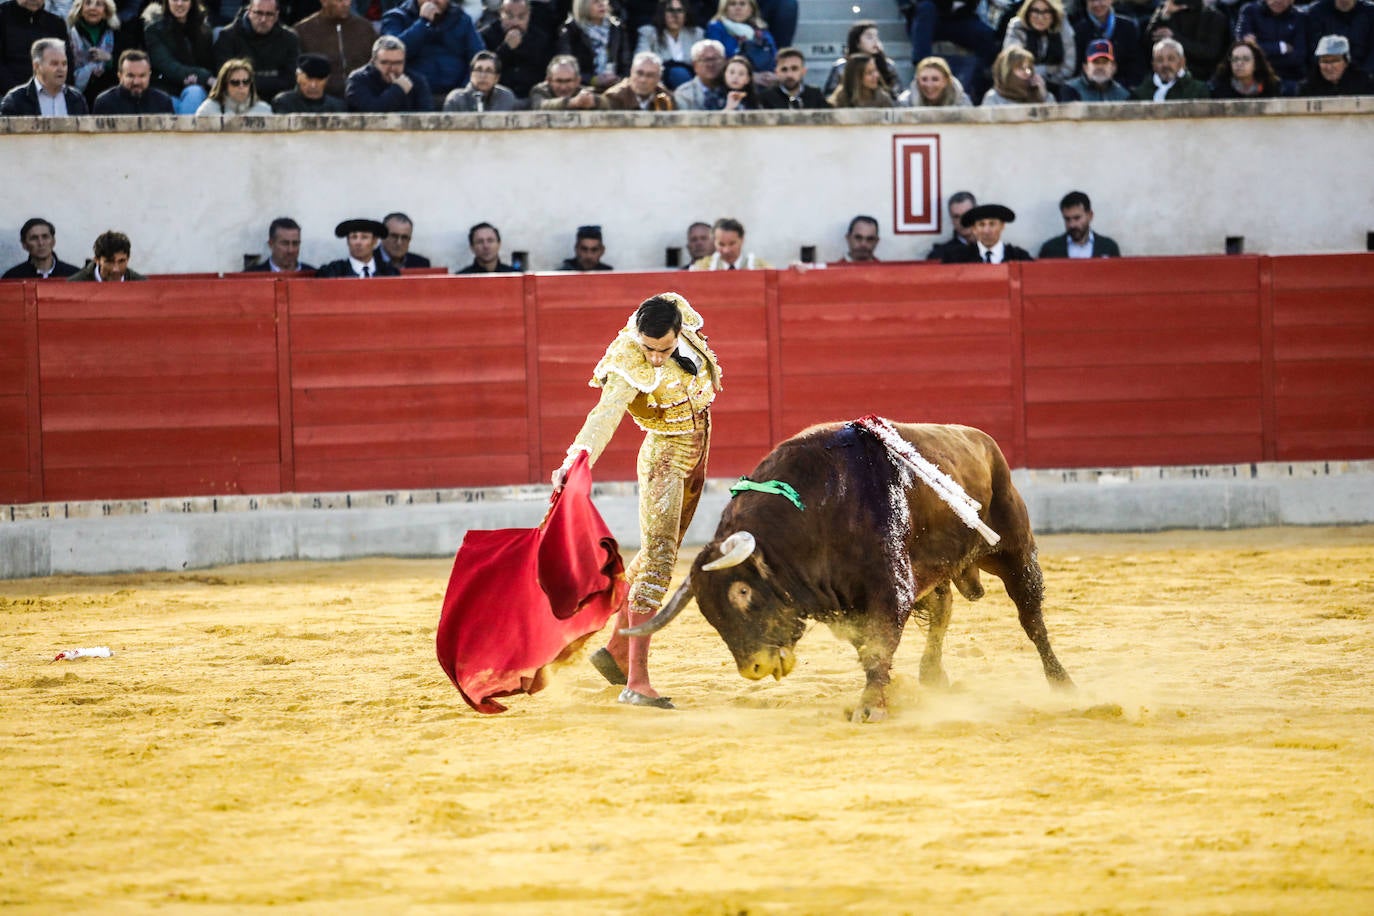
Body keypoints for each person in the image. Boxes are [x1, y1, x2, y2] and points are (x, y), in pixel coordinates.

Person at [553, 292, 722, 709]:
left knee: (655, 555)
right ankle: (637, 682)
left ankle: (614, 651)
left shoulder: (678, 313)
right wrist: (577, 455)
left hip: (697, 455)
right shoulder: (627, 360)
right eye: (649, 349)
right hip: (664, 460)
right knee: (660, 562)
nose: (656, 358)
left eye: (664, 349)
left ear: (678, 332)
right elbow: (605, 413)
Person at [382, 0, 482, 102]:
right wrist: (422, 23)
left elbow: (478, 57)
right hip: (411, 97)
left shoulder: (462, 19)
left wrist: (464, 92)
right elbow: (392, 53)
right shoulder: (396, 17)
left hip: (455, 99)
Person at [905, 0, 1000, 103]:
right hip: (929, 19)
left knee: (987, 36)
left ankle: (979, 88)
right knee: (926, 8)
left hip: (959, 19)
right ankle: (922, 68)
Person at [212, 0, 298, 101]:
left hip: (277, 99)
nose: (263, 19)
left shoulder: (290, 38)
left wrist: (247, 81)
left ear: (276, 16)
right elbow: (226, 77)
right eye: (258, 13)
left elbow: (290, 80)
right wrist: (272, 80)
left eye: (269, 14)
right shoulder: (228, 36)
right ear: (249, 12)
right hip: (237, 99)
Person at [142, 0, 216, 115]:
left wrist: (198, 79)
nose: (179, 4)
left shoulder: (204, 29)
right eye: (175, 0)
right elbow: (166, 64)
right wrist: (205, 77)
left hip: (197, 88)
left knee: (194, 93)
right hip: (165, 88)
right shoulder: (154, 29)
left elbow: (209, 63)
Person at [293, 0, 375, 100]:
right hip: (320, 101)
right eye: (340, 1)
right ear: (324, 2)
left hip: (361, 98)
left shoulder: (366, 29)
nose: (346, 4)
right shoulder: (302, 31)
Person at [1143, 0, 1231, 85]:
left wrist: (1175, 38)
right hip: (1162, 76)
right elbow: (1148, 42)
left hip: (1200, 76)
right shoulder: (1165, 10)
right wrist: (1164, 15)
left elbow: (1210, 52)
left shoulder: (1214, 16)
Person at [481, 0, 552, 102]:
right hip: (496, 97)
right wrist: (506, 48)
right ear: (501, 13)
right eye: (509, 16)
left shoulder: (540, 38)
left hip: (531, 97)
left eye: (521, 17)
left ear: (529, 15)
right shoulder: (487, 35)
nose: (515, 22)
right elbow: (485, 69)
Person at [1002, 0, 1076, 96]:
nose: (1040, 17)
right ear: (1028, 12)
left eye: (1046, 12)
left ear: (1053, 14)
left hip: (1057, 84)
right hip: (1023, 84)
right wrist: (1040, 73)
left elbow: (1069, 67)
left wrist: (1045, 80)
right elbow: (1013, 63)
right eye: (1035, 11)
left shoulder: (1062, 26)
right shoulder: (1017, 26)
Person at [556, 0, 633, 89]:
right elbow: (567, 67)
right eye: (596, 2)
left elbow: (626, 63)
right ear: (583, 5)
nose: (602, 5)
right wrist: (593, 80)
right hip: (581, 89)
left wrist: (619, 79)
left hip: (615, 88)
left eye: (604, 1)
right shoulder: (570, 31)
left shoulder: (617, 28)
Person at [346, 34, 435, 111]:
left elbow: (427, 115)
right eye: (385, 62)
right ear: (374, 62)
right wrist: (398, 89)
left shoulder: (416, 81)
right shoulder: (358, 79)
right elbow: (371, 114)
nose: (392, 68)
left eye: (398, 63)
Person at [0, 36, 87, 114]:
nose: (61, 69)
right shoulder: (16, 101)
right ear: (37, 66)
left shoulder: (77, 99)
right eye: (54, 64)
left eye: (64, 64)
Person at [1235, 0, 1306, 93]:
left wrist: (1258, 50)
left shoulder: (1299, 17)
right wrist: (1281, 47)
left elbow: (1299, 56)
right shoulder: (1250, 11)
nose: (1279, 1)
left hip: (1288, 77)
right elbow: (1244, 48)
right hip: (1257, 75)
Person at [0, 0, 68, 97]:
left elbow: (66, 65)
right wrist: (20, 95)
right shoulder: (3, 18)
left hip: (49, 95)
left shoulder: (56, 24)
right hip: (8, 96)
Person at [1070, 0, 1144, 89]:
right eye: (1091, 1)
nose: (1097, 4)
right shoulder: (1078, 30)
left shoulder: (1127, 26)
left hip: (1122, 89)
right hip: (1087, 90)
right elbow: (1077, 68)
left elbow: (1135, 65)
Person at [67, 0, 127, 108]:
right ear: (80, 9)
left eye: (98, 4)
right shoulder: (70, 34)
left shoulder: (118, 33)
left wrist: (109, 58)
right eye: (88, 3)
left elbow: (126, 63)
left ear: (106, 11)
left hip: (110, 94)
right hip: (78, 97)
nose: (92, 8)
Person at [703, 0, 775, 84]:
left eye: (742, 4)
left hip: (765, 79)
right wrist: (749, 76)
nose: (738, 8)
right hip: (728, 81)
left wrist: (774, 75)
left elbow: (774, 56)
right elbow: (715, 61)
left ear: (751, 8)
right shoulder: (716, 28)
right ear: (725, 8)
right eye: (732, 4)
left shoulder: (761, 29)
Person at [823, 19, 899, 96]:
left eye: (877, 36)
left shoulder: (888, 65)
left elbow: (897, 93)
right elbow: (830, 96)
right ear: (857, 42)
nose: (875, 40)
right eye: (869, 37)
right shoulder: (841, 67)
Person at [635, 0, 701, 88]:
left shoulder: (696, 34)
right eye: (670, 10)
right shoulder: (648, 33)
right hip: (658, 81)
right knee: (679, 73)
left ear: (686, 14)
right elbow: (641, 59)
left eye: (679, 11)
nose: (675, 16)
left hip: (692, 81)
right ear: (662, 13)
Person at [1037, 190, 1121, 259]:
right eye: (1067, 219)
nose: (1072, 225)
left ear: (1090, 215)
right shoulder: (1050, 249)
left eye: (1077, 218)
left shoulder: (1108, 247)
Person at [941, 203, 1033, 264]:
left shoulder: (1019, 256)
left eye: (992, 224)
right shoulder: (957, 258)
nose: (986, 230)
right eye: (981, 225)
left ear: (1002, 226)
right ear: (974, 229)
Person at [1303, 0, 1374, 79]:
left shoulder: (1370, 11)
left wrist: (1364, 74)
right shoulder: (1317, 11)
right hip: (1326, 72)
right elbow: (1313, 47)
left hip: (1364, 71)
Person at [93, 47, 175, 112]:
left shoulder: (163, 102)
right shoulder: (105, 102)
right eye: (130, 76)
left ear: (149, 75)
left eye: (142, 76)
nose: (136, 81)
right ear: (120, 76)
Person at [315, 218, 401, 278]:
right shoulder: (333, 272)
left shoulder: (389, 272)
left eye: (364, 237)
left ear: (374, 241)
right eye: (354, 237)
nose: (358, 242)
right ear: (348, 241)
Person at [1132, 36, 1211, 99]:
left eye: (1171, 59)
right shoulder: (1140, 94)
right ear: (1153, 65)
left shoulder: (1199, 91)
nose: (1165, 64)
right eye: (1160, 60)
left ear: (1182, 62)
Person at [2, 217, 80, 279]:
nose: (41, 243)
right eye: (34, 238)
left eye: (45, 237)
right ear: (24, 244)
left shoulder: (74, 275)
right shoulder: (12, 277)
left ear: (53, 241)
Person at [443, 48, 518, 109]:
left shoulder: (506, 98)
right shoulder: (456, 99)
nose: (483, 75)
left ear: (497, 78)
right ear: (471, 74)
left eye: (489, 71)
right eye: (479, 70)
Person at [1301, 32, 1374, 94]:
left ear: (1346, 62)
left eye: (1334, 61)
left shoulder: (1364, 83)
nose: (1329, 67)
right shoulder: (1307, 86)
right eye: (1324, 61)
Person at [1060, 37, 1130, 100]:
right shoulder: (1071, 90)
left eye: (1104, 62)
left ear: (1114, 67)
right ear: (1085, 68)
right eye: (1095, 62)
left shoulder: (1124, 95)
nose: (1100, 66)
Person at [271, 51, 345, 111]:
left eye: (319, 80)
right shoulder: (284, 103)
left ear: (326, 79)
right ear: (298, 77)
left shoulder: (338, 107)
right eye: (309, 79)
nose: (313, 85)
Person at [196, 57, 273, 113]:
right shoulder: (208, 110)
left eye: (246, 81)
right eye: (235, 82)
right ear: (224, 84)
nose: (241, 86)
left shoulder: (264, 110)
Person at [982, 45, 1056, 103]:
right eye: (1021, 68)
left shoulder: (1038, 95)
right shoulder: (993, 98)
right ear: (1007, 72)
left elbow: (1056, 119)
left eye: (1029, 68)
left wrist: (1044, 95)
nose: (1027, 72)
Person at [689, 217, 771, 270]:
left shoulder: (761, 268)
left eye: (732, 244)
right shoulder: (701, 268)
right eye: (721, 244)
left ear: (742, 240)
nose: (726, 250)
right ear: (714, 242)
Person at [531, 51, 609, 106]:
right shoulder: (540, 90)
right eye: (559, 81)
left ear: (577, 81)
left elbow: (609, 103)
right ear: (549, 80)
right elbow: (540, 105)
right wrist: (573, 102)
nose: (563, 87)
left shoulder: (582, 92)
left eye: (568, 81)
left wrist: (594, 101)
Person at [758, 44, 826, 107]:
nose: (789, 74)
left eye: (794, 69)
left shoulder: (815, 94)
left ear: (803, 71)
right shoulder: (766, 97)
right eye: (784, 69)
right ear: (776, 72)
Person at [1209, 36, 1281, 95]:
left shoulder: (1271, 88)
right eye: (1235, 59)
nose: (1239, 63)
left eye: (1246, 59)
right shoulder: (1219, 89)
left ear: (1256, 64)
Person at [603, 49, 675, 107]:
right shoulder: (614, 97)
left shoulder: (667, 99)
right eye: (639, 73)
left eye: (650, 75)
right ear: (631, 72)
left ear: (659, 78)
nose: (643, 80)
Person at [68, 229, 148, 281]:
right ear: (97, 260)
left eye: (121, 261)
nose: (116, 269)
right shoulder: (75, 283)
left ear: (128, 258)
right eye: (109, 262)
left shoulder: (141, 283)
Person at [897, 54, 973, 106]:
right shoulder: (905, 102)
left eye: (935, 79)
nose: (929, 85)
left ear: (946, 81)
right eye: (924, 79)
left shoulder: (962, 102)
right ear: (917, 81)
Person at [826, 51, 896, 106]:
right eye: (869, 73)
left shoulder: (883, 99)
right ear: (856, 77)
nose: (876, 75)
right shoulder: (839, 100)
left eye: (875, 70)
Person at [672, 36, 725, 108]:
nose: (710, 64)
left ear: (724, 61)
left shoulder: (734, 89)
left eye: (714, 59)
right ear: (694, 65)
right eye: (705, 60)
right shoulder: (684, 94)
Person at [245, 217, 314, 272]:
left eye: (295, 243)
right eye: (285, 244)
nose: (291, 250)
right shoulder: (252, 276)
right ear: (271, 244)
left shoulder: (314, 275)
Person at [926, 190, 977, 261]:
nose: (962, 221)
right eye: (956, 217)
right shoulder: (939, 255)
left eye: (967, 214)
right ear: (951, 219)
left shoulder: (991, 250)